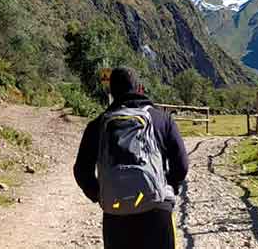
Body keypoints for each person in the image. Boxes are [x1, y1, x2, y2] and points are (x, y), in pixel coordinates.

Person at [74, 66, 189, 249]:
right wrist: (167, 187)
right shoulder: (162, 119)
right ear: (140, 89)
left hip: (116, 210)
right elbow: (181, 166)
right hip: (157, 208)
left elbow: (81, 171)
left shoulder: (98, 124)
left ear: (111, 91)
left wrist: (100, 195)